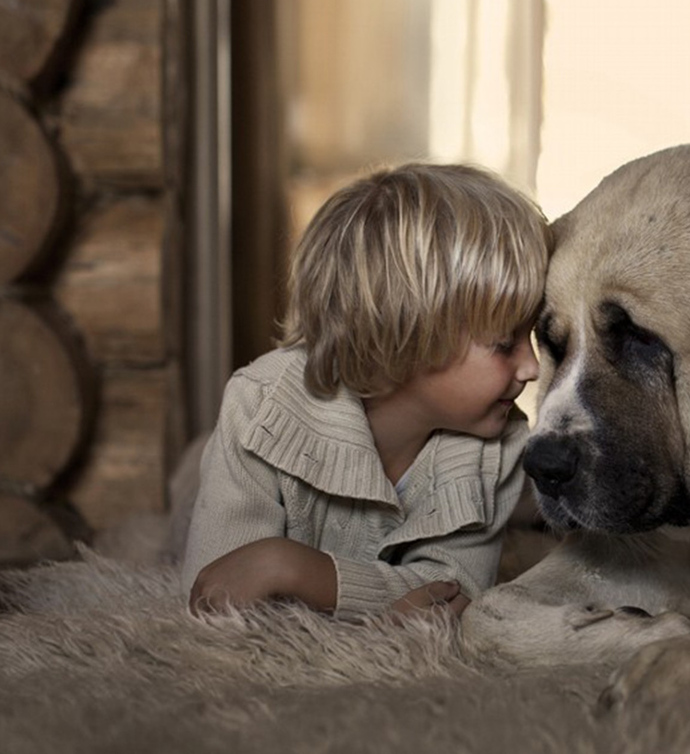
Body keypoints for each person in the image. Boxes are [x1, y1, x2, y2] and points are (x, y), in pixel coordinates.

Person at [181, 162, 547, 621]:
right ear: (409, 334)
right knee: (186, 494)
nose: (532, 368)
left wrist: (289, 567)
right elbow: (217, 592)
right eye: (505, 344)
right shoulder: (259, 405)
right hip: (218, 471)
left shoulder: (501, 444)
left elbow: (453, 598)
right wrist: (389, 604)